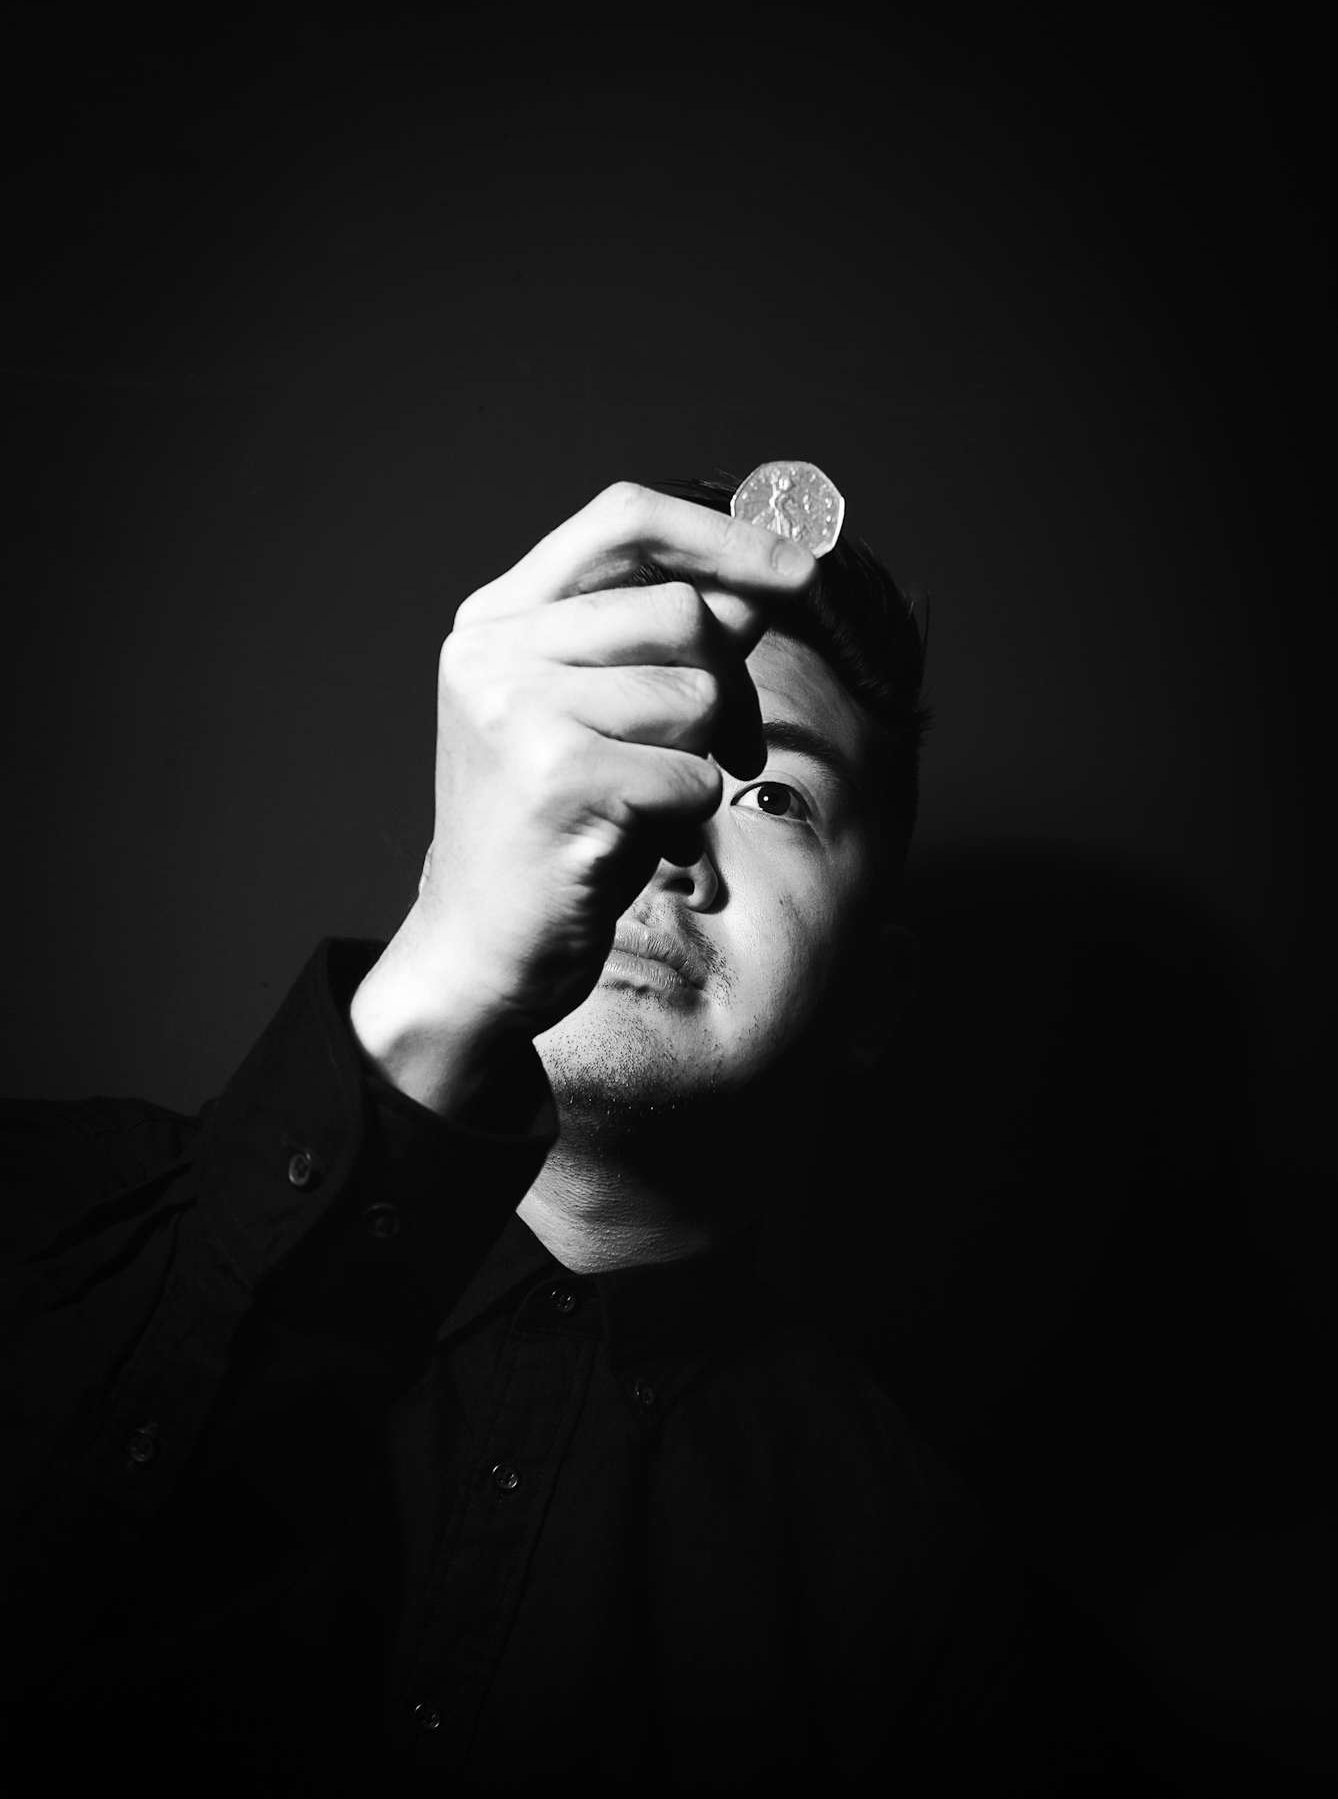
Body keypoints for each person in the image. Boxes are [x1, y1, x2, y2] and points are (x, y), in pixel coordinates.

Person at [1, 478, 1019, 1791]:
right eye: (622, 737)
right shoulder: (43, 1213)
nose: (664, 839)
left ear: (872, 999)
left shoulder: (916, 1593)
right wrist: (439, 974)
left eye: (771, 798)